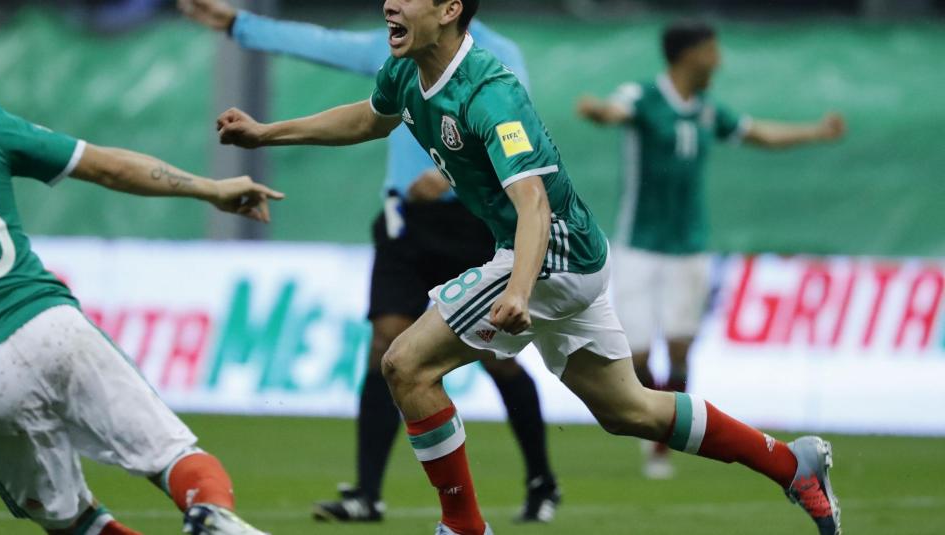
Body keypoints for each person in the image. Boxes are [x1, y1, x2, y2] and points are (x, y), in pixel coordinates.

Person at [215, 1, 841, 534]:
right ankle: (791, 465)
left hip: (550, 257)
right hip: (568, 257)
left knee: (406, 364)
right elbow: (367, 118)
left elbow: (533, 202)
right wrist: (267, 134)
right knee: (630, 410)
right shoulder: (406, 71)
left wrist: (517, 289)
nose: (390, 4)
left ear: (450, 10)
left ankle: (463, 527)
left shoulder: (491, 91)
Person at [0, 11, 282, 535]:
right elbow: (106, 166)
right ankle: (211, 513)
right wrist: (211, 189)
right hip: (50, 325)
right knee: (173, 458)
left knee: (75, 522)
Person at [178, 0, 560, 523]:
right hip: (405, 223)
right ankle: (367, 494)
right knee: (386, 345)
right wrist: (238, 24)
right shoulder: (400, 55)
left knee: (499, 359)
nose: (393, 5)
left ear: (450, 9)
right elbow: (325, 46)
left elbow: (517, 147)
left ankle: (541, 480)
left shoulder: (499, 59)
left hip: (472, 223)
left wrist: (448, 175)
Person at [576, 21, 846, 480]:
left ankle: (662, 444)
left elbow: (759, 134)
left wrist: (816, 132)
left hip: (690, 248)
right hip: (639, 246)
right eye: (712, 50)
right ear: (689, 54)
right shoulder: (644, 96)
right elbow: (615, 111)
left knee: (680, 347)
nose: (719, 60)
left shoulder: (706, 110)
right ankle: (654, 426)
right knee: (637, 356)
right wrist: (599, 111)